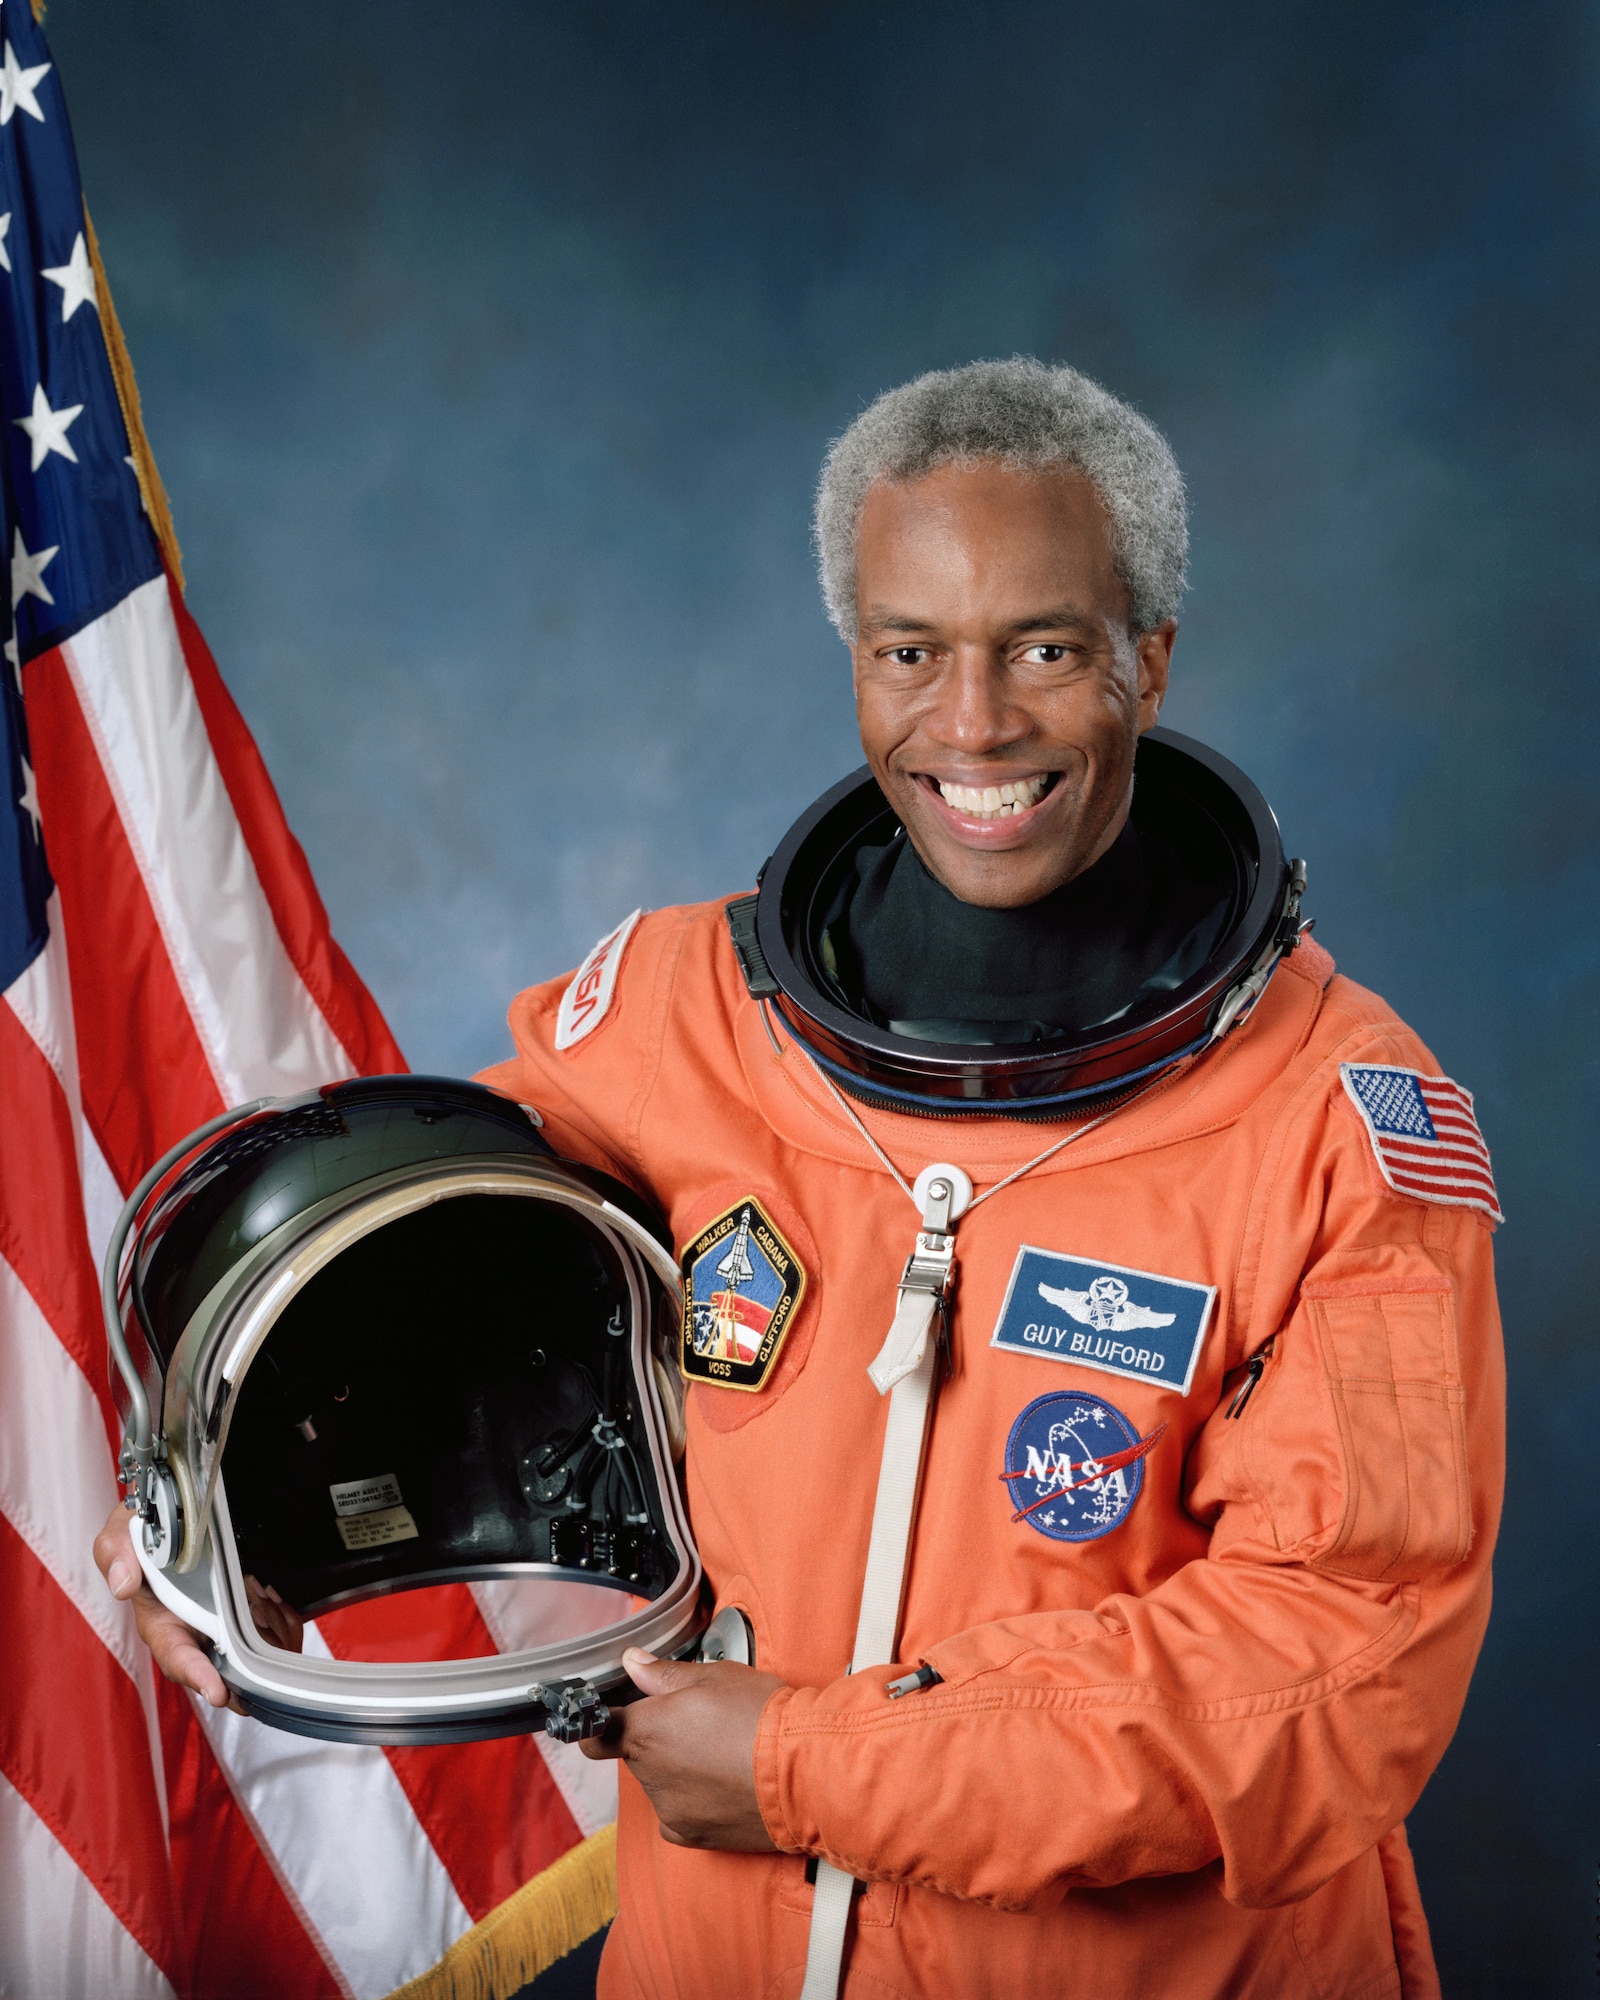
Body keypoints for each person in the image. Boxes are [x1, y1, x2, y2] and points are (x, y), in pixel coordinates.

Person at [99, 359, 1503, 1999]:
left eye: (1043, 648)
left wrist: (809, 1763)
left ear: (1148, 660)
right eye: (912, 652)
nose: (971, 725)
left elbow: (1330, 1674)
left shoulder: (1336, 1129)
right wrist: (212, 1502)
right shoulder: (682, 1019)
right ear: (858, 658)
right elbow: (421, 1281)